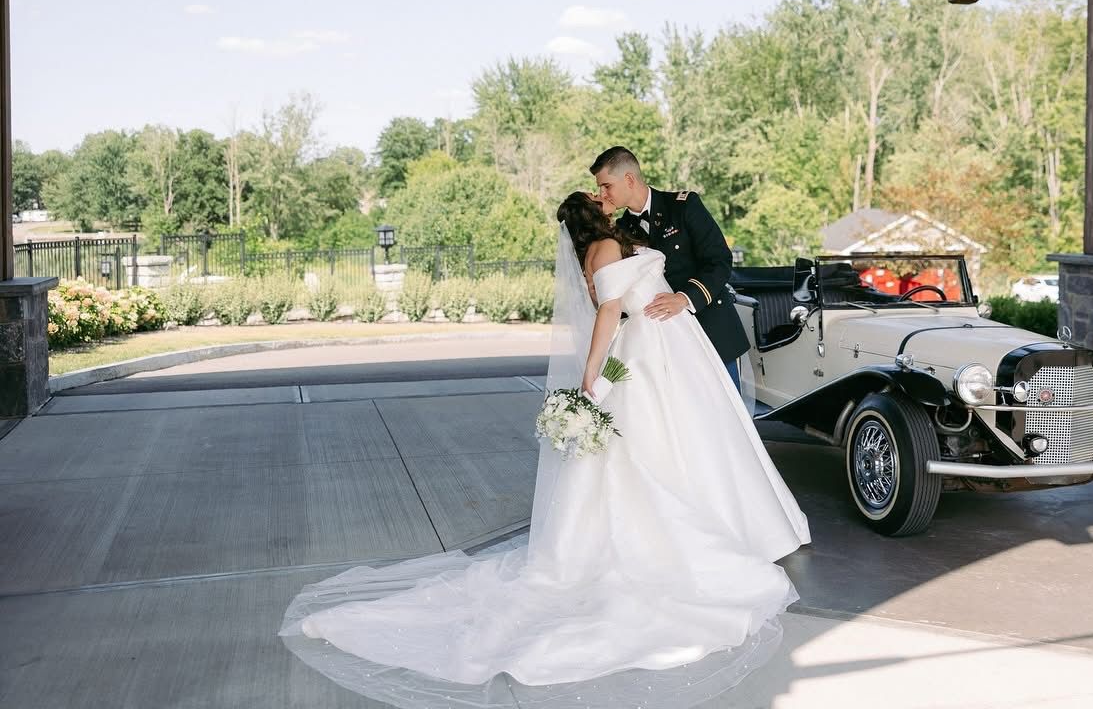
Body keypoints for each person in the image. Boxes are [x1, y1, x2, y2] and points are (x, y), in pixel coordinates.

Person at [278, 191, 810, 709]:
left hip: (672, 344)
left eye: (605, 188)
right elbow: (608, 315)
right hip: (649, 350)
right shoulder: (605, 250)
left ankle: (733, 521)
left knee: (697, 440)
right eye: (598, 196)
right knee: (655, 449)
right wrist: (590, 379)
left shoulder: (622, 237)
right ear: (590, 217)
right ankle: (695, 533)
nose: (607, 199)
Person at [591, 146, 749, 392]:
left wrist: (684, 298)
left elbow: (718, 260)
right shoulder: (620, 231)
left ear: (629, 179)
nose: (602, 193)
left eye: (606, 186)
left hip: (710, 330)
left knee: (725, 418)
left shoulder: (684, 206)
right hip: (661, 347)